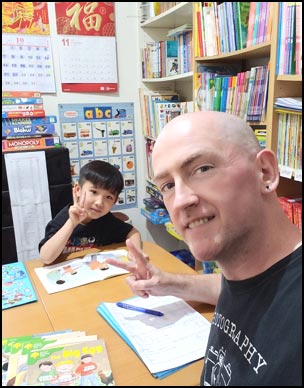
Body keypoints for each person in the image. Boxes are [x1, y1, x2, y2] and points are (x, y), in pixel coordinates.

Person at [106, 111, 302, 386]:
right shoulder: (252, 272)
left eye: (203, 169)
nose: (181, 200)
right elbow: (243, 291)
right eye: (168, 185)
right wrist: (166, 282)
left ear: (265, 172)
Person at [39, 160, 142, 265]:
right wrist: (71, 223)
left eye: (108, 197)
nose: (99, 202)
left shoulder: (106, 220)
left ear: (114, 201)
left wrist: (136, 252)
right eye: (94, 192)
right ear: (78, 190)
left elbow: (133, 232)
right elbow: (46, 258)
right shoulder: (65, 218)